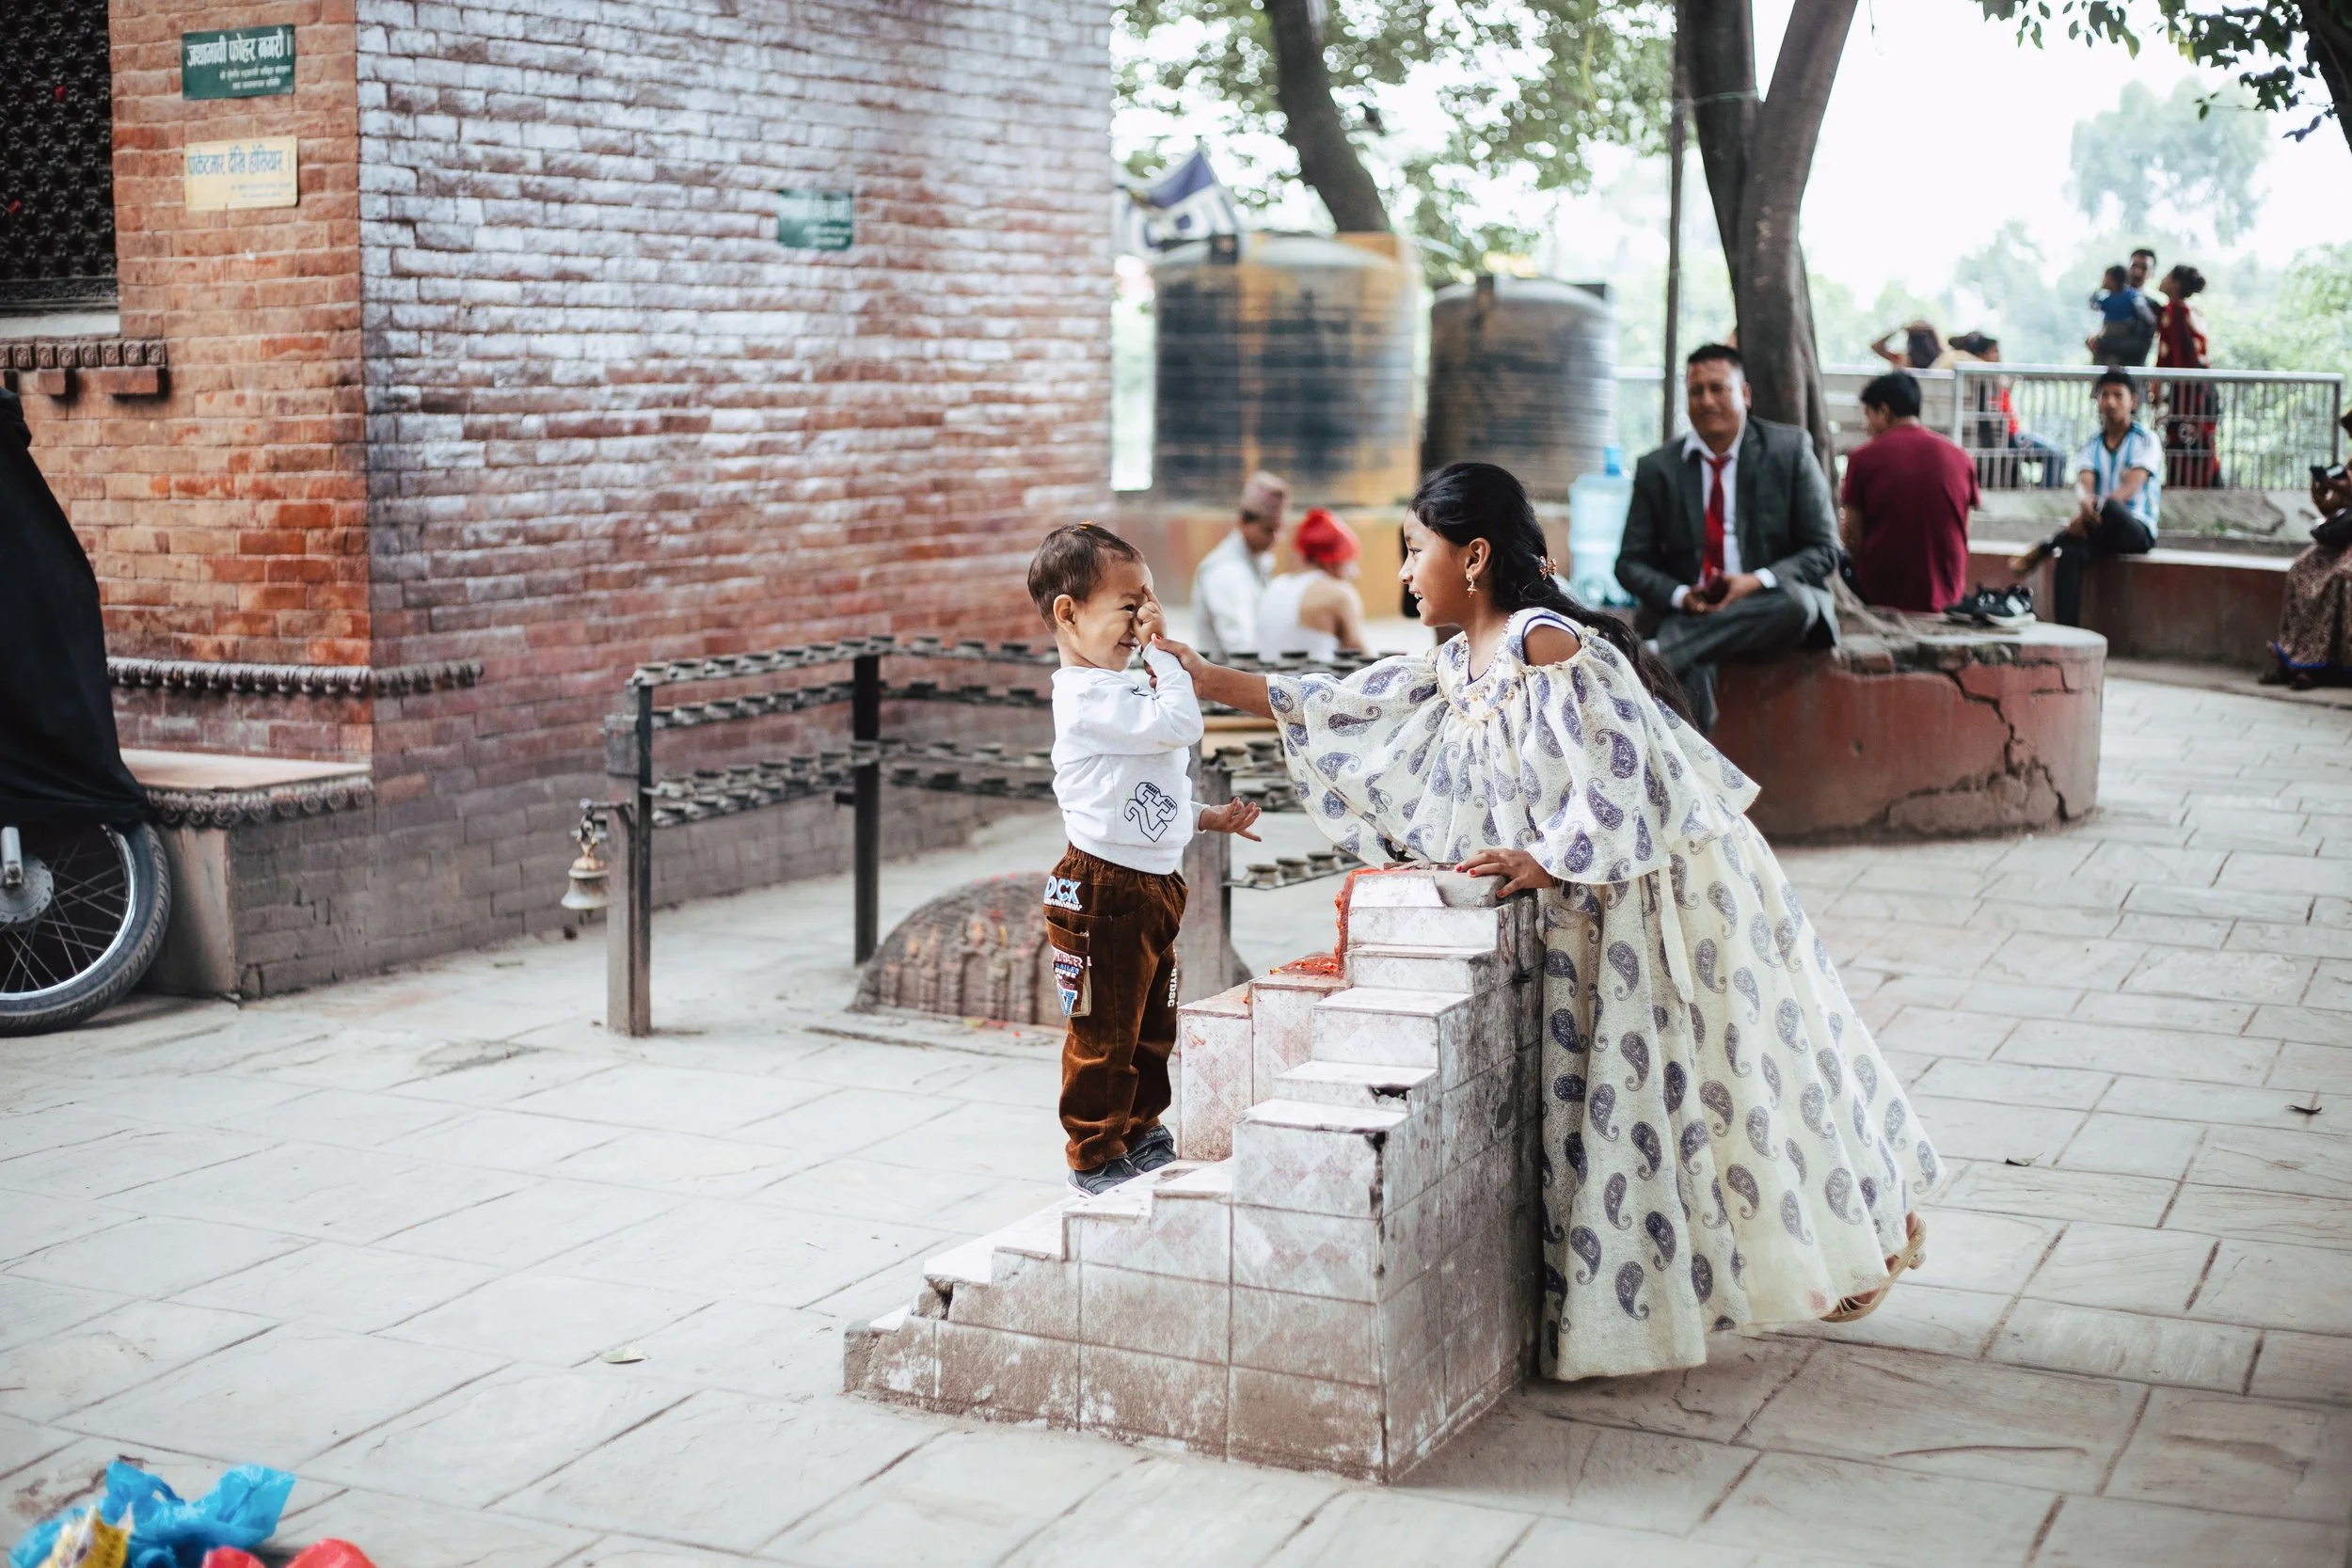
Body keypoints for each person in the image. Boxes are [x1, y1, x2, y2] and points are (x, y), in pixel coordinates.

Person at [1159, 461, 1938, 1381]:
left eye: (1416, 550)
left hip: (1643, 895)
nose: (1404, 572)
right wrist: (1207, 677)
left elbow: (1628, 755)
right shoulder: (1458, 664)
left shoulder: (1541, 640)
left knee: (1728, 1068)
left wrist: (1551, 854)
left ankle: (1862, 1229)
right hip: (1585, 913)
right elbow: (1344, 700)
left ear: (1475, 554)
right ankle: (1751, 1266)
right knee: (1673, 1102)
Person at [1028, 523, 1263, 1194]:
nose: (1144, 621)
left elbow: (1145, 794)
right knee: (1105, 1028)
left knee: (1153, 1019)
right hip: (1102, 891)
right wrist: (1166, 657)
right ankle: (1095, 1151)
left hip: (1153, 884)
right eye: (1129, 606)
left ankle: (1140, 1127)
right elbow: (1181, 726)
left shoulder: (1124, 690)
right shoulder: (1086, 697)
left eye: (1150, 602)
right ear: (1068, 614)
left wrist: (1206, 818)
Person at [1615, 343, 1840, 734]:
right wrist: (1682, 595)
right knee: (1693, 668)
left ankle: (1659, 653)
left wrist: (1754, 582)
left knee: (1799, 602)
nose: (1706, 401)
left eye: (1718, 388)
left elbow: (1825, 549)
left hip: (1765, 606)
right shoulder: (1657, 468)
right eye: (1696, 391)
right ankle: (1698, 787)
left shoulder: (1789, 451)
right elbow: (1629, 563)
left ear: (1745, 395)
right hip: (1690, 608)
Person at [2010, 368, 2161, 626]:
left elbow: (2129, 490)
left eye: (2118, 395)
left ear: (2132, 401)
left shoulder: (2146, 441)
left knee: (2112, 507)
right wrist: (2085, 504)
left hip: (2135, 530)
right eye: (2105, 395)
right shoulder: (2091, 445)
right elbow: (2084, 486)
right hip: (2097, 529)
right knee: (2069, 554)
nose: (2111, 402)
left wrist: (2092, 510)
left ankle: (2048, 544)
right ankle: (2067, 633)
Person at [1839, 372, 1979, 613]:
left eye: (1868, 415)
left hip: (1880, 596)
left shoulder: (1863, 458)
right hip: (1948, 595)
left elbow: (1852, 539)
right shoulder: (1961, 457)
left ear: (1883, 411)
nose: (1866, 426)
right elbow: (1963, 529)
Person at [2264, 436, 2352, 689]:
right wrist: (2322, 496)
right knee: (2301, 571)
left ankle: (2329, 665)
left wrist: (2346, 486)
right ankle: (2295, 659)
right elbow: (2334, 509)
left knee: (2342, 577)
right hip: (2344, 541)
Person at [1188, 470, 1288, 662]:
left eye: (1278, 531)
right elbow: (1240, 646)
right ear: (1242, 522)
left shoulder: (1260, 562)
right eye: (1267, 531)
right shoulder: (1225, 570)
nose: (1274, 539)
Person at [1255, 506, 1369, 658]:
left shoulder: (1276, 584)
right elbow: (1363, 660)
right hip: (1309, 681)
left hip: (1266, 678)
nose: (1355, 573)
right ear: (1331, 561)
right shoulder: (1339, 594)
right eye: (1349, 563)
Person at [2155, 264, 2219, 489]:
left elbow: (2170, 359)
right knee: (2199, 441)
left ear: (2175, 283)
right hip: (2202, 390)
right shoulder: (2193, 312)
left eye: (2166, 274)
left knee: (2183, 441)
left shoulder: (2174, 311)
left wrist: (2157, 392)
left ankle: (2185, 488)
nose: (2161, 279)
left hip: (2188, 393)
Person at [2087, 262, 2157, 367]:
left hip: (2122, 333)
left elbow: (2149, 319)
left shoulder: (2131, 296)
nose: (2103, 281)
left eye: (2106, 278)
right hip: (2109, 330)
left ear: (2113, 280)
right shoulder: (2111, 297)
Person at [1869, 320, 1947, 372]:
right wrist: (1931, 330)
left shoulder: (1902, 361)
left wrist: (1901, 328)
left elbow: (1876, 346)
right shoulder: (1942, 361)